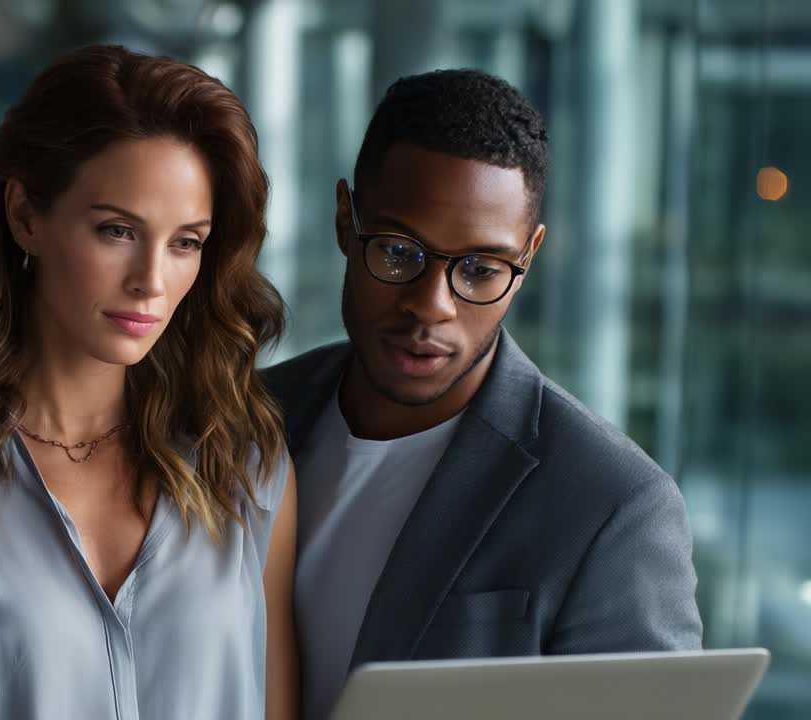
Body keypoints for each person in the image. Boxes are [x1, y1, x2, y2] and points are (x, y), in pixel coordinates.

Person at [0, 45, 299, 720]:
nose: (152, 280)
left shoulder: (246, 470)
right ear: (25, 216)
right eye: (116, 230)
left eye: (186, 242)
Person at [262, 69, 703, 720]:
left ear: (528, 257)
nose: (430, 307)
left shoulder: (612, 507)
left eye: (479, 269)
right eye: (399, 252)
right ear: (343, 221)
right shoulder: (247, 413)